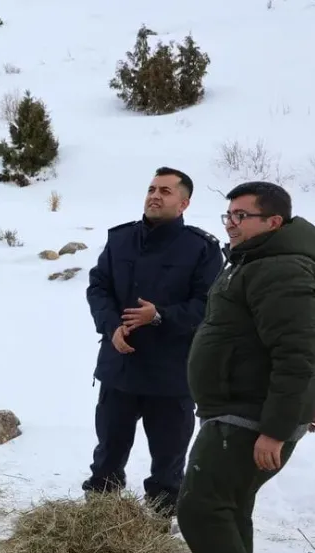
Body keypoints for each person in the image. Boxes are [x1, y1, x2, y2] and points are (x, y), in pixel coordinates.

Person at [179, 181, 315, 553]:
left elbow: (298, 352)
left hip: (250, 417)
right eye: (229, 215)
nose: (231, 224)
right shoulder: (254, 261)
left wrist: (276, 430)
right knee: (229, 506)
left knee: (200, 508)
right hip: (239, 411)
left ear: (273, 222)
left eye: (242, 216)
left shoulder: (280, 269)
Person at [84, 166, 224, 516]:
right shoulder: (121, 239)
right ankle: (99, 512)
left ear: (184, 203)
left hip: (171, 373)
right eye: (151, 189)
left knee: (168, 457)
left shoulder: (201, 249)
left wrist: (159, 315)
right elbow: (98, 287)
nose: (155, 196)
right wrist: (111, 326)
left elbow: (208, 306)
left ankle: (160, 519)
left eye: (165, 191)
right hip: (120, 365)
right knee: (108, 451)